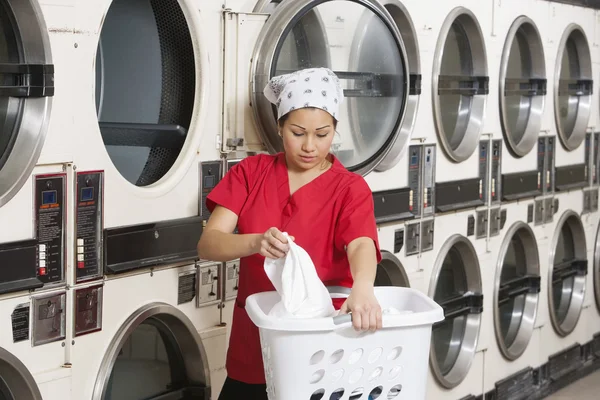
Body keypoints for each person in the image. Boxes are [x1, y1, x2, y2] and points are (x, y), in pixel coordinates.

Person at [197, 67, 382, 400]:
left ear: (335, 130)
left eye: (322, 134)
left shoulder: (349, 188)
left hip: (324, 344)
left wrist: (365, 287)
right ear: (279, 126)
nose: (310, 146)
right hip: (256, 340)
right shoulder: (250, 174)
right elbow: (209, 243)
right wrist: (255, 242)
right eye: (298, 132)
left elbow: (361, 243)